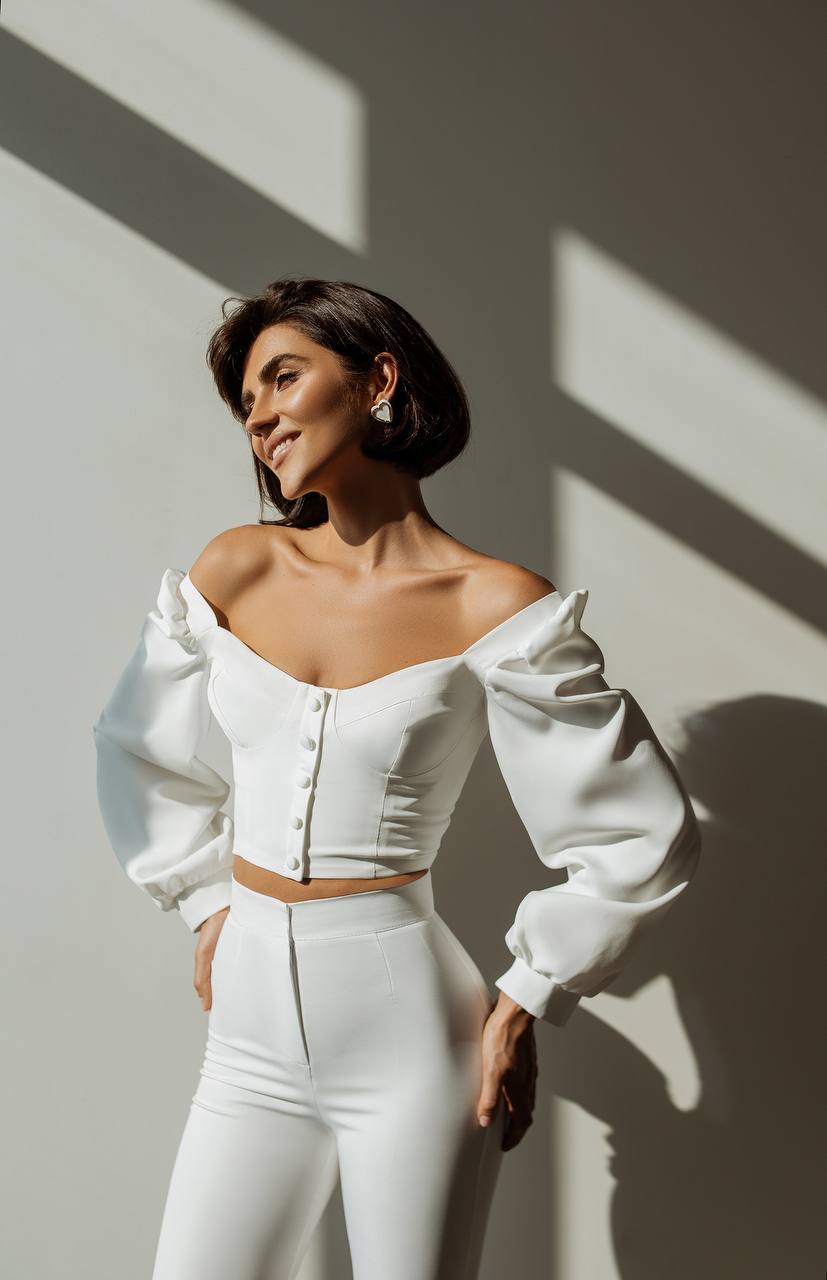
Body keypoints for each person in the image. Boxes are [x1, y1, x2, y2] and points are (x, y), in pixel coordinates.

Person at [92, 277, 702, 1280]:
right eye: (246, 399)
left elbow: (637, 830)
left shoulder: (493, 602)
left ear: (376, 379)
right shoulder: (234, 568)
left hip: (409, 1039)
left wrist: (529, 987)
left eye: (282, 377)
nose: (260, 415)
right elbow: (132, 743)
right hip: (245, 1034)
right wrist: (203, 896)